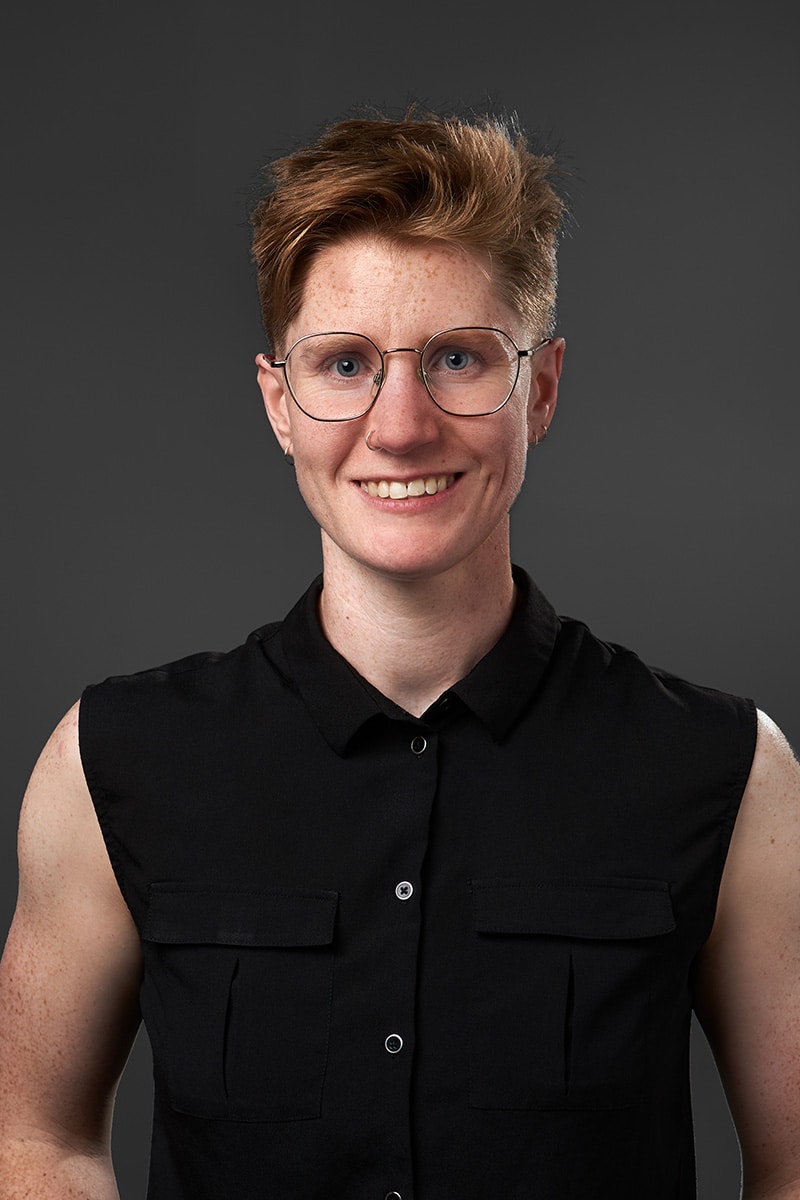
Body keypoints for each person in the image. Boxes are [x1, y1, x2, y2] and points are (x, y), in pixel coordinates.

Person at [0, 109, 798, 1200]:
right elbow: (35, 1138)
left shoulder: (729, 771)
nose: (402, 426)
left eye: (459, 358)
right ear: (280, 403)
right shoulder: (109, 761)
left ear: (541, 388)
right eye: (344, 365)